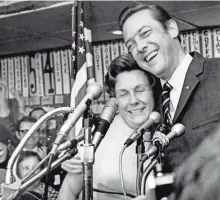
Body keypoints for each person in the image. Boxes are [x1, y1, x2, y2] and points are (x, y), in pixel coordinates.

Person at [118, 4, 220, 170]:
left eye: (145, 33)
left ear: (172, 29)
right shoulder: (151, 100)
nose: (140, 47)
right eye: (130, 45)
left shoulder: (218, 73)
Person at [57, 54, 161, 200]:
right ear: (115, 98)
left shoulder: (171, 127)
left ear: (153, 91)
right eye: (123, 94)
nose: (133, 101)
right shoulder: (97, 134)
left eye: (140, 90)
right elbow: (68, 190)